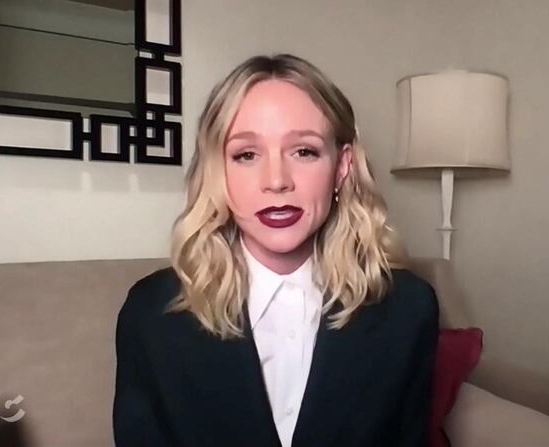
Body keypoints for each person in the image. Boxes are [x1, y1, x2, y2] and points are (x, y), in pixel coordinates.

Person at [113, 53, 439, 447]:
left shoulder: (409, 308)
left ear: (342, 167)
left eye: (304, 151)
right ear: (219, 172)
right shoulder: (150, 313)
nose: (277, 181)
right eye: (246, 155)